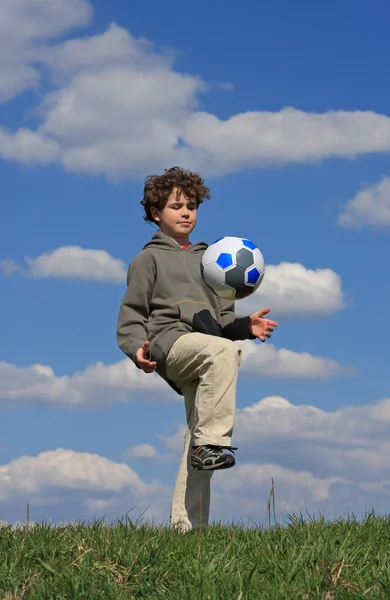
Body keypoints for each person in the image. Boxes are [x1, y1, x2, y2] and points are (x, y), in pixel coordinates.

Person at [117, 166, 278, 531]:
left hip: (205, 349)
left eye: (191, 205)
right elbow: (132, 312)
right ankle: (212, 444)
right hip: (169, 342)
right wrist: (134, 348)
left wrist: (245, 327)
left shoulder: (212, 259)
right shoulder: (149, 259)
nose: (186, 212)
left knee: (199, 437)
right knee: (224, 360)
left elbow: (222, 321)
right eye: (176, 206)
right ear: (156, 213)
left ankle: (188, 529)